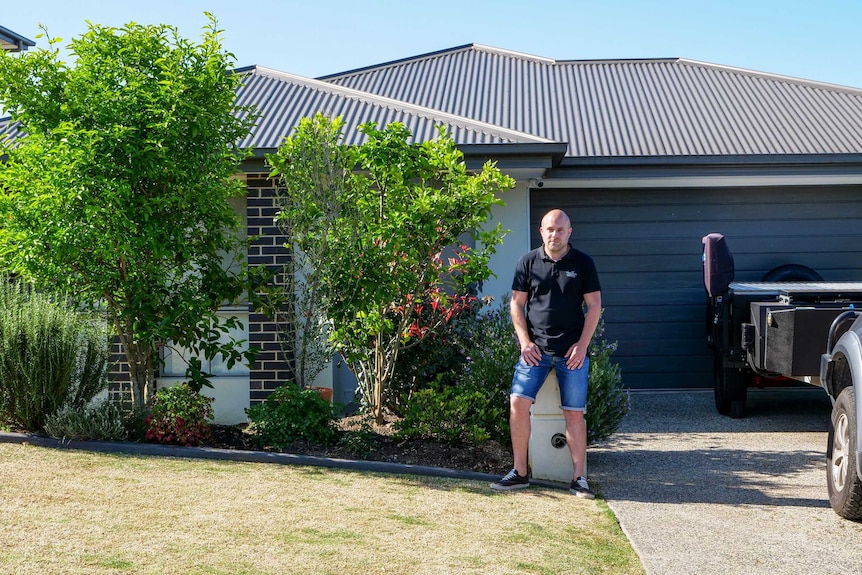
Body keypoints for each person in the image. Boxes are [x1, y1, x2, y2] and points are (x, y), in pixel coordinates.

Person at [491, 208, 602, 498]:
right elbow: (516, 305)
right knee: (517, 403)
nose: (555, 234)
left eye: (560, 229)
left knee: (574, 414)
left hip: (572, 354)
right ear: (541, 231)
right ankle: (519, 473)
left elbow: (594, 306)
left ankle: (579, 479)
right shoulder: (528, 262)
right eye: (549, 229)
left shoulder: (583, 263)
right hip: (535, 352)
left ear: (569, 232)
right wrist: (524, 342)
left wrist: (582, 345)